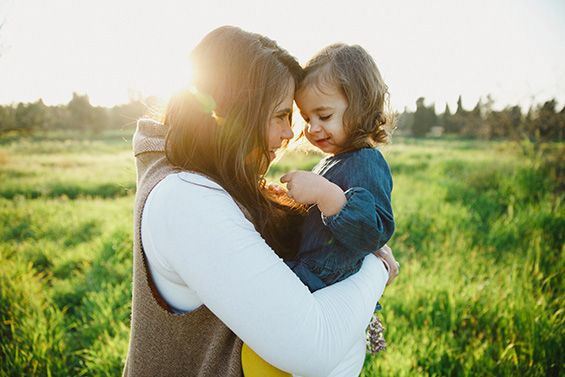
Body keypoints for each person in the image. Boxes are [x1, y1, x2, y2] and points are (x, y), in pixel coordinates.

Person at [122, 26, 398, 377]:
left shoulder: (204, 179)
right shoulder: (186, 199)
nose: (290, 133)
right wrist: (377, 268)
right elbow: (313, 346)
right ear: (238, 113)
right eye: (282, 115)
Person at [244, 43, 396, 374]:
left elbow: (376, 228)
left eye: (324, 116)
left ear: (361, 105)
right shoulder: (335, 161)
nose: (312, 129)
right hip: (311, 273)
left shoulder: (367, 161)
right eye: (307, 117)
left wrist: (326, 194)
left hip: (325, 282)